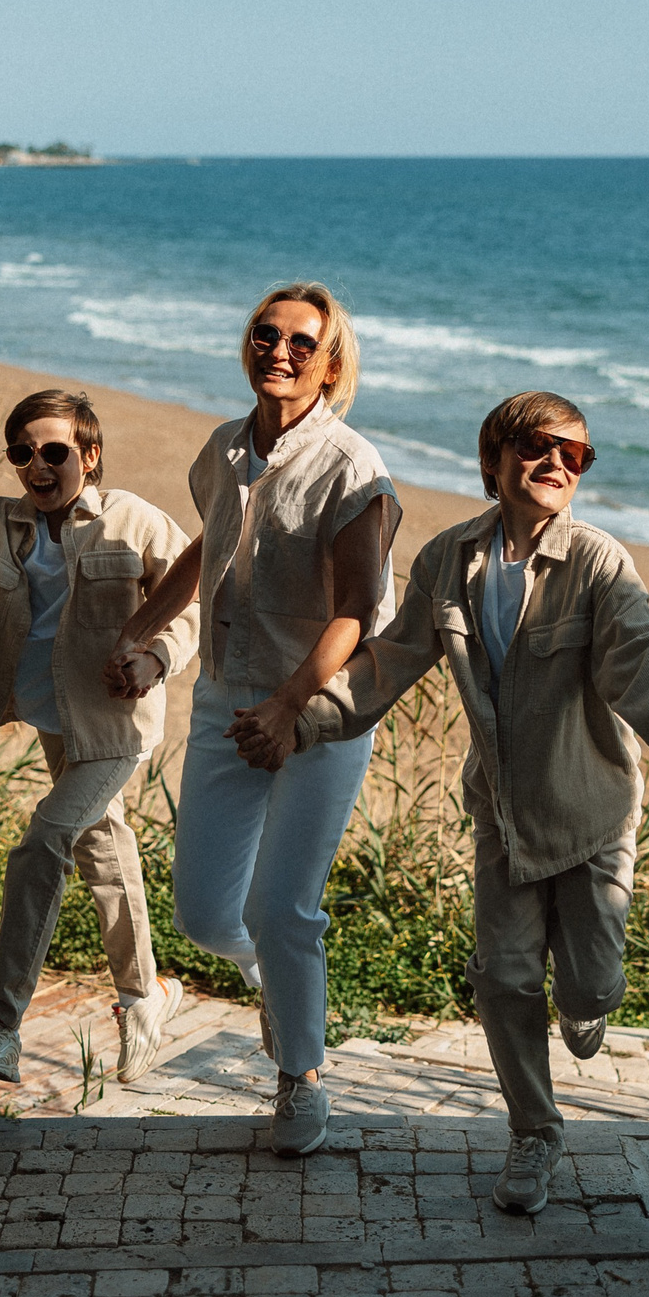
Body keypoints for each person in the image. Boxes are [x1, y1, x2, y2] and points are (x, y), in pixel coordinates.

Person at [242, 390, 649, 1212]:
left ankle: (587, 1009)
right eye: (538, 447)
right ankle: (534, 1135)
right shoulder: (448, 563)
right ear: (494, 460)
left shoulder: (599, 564)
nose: (555, 464)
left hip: (592, 816)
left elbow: (645, 662)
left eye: (573, 455)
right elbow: (385, 664)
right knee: (503, 979)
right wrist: (304, 721)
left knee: (590, 986)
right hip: (504, 816)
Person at [105, 282, 399, 1157]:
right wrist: (139, 626)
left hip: (320, 713)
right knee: (204, 914)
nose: (280, 350)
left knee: (283, 905)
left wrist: (287, 706)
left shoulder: (356, 471)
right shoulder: (222, 449)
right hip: (226, 700)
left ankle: (300, 1080)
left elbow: (357, 611)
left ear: (331, 364)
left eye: (302, 343)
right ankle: (277, 983)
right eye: (266, 335)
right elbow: (212, 542)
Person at [0, 388, 196, 1088]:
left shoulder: (134, 519)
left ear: (91, 454)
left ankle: (0, 1027)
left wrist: (155, 656)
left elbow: (190, 602)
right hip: (55, 719)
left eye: (55, 452)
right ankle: (148, 998)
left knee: (46, 838)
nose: (38, 466)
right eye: (23, 454)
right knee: (100, 848)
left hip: (116, 721)